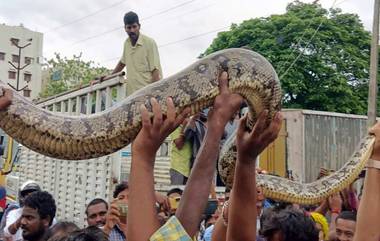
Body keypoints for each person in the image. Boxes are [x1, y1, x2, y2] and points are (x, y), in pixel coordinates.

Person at [127, 71, 243, 240]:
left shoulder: (197, 124)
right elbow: (185, 225)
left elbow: (182, 227)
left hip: (189, 167)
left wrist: (143, 156)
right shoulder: (184, 127)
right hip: (179, 167)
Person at [111, 11, 162, 96]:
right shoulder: (126, 43)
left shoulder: (149, 43)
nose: (132, 30)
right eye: (129, 27)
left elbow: (156, 72)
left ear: (139, 26)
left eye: (134, 27)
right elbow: (122, 63)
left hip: (147, 94)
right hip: (131, 96)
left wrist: (153, 95)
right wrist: (108, 77)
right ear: (125, 28)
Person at [169, 119, 191, 185]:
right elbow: (179, 145)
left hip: (188, 168)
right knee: (176, 193)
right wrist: (184, 127)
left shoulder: (190, 127)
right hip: (178, 168)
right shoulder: (175, 127)